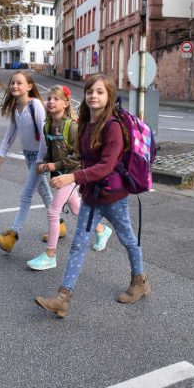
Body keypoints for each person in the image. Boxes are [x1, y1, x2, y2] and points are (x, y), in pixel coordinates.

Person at [34, 74, 148, 319]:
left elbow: (107, 165)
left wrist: (72, 178)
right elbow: (83, 158)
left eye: (99, 92)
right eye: (89, 92)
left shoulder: (113, 126)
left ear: (109, 97)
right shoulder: (85, 123)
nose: (93, 96)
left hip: (113, 195)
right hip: (91, 195)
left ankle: (139, 281)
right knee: (78, 244)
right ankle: (63, 298)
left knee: (128, 239)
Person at [27, 85, 112, 271]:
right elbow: (50, 150)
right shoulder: (48, 125)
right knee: (76, 209)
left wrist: (55, 166)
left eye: (56, 99)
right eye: (49, 98)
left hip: (73, 174)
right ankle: (102, 230)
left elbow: (79, 156)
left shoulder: (72, 126)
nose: (51, 102)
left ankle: (50, 255)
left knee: (53, 210)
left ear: (65, 104)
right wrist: (45, 164)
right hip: (60, 174)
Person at [0, 70, 53, 253]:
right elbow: (9, 135)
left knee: (26, 195)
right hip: (29, 155)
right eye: (13, 83)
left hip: (40, 157)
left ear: (29, 87)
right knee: (45, 193)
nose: (15, 86)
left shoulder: (36, 106)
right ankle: (60, 225)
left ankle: (12, 236)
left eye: (19, 83)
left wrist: (41, 162)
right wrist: (1, 156)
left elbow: (44, 136)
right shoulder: (15, 108)